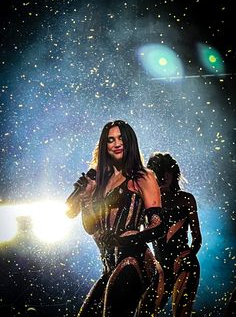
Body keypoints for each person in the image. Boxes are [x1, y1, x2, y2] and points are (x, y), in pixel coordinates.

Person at [66, 120, 165, 317]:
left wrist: (128, 238)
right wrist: (85, 197)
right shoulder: (100, 183)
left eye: (121, 138)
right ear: (104, 146)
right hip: (109, 264)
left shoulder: (142, 177)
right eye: (111, 140)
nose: (117, 143)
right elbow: (90, 227)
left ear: (130, 142)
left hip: (132, 260)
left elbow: (158, 225)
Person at [147, 152, 202, 317]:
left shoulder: (186, 199)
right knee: (144, 311)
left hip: (184, 264)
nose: (162, 176)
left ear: (173, 173)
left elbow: (197, 237)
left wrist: (191, 253)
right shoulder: (146, 202)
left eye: (166, 171)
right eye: (157, 171)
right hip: (160, 268)